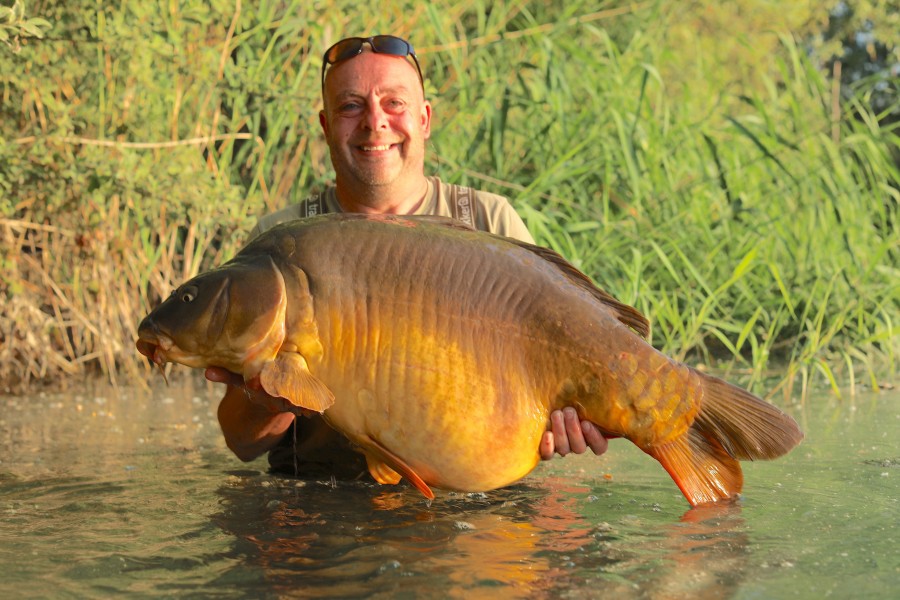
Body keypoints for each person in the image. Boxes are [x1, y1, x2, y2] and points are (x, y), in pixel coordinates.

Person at [206, 35, 608, 480]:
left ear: (425, 118)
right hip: (321, 508)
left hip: (468, 512)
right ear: (325, 125)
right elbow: (241, 444)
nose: (375, 122)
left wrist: (564, 423)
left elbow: (563, 369)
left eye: (394, 103)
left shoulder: (488, 220)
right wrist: (275, 402)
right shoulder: (280, 247)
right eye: (351, 106)